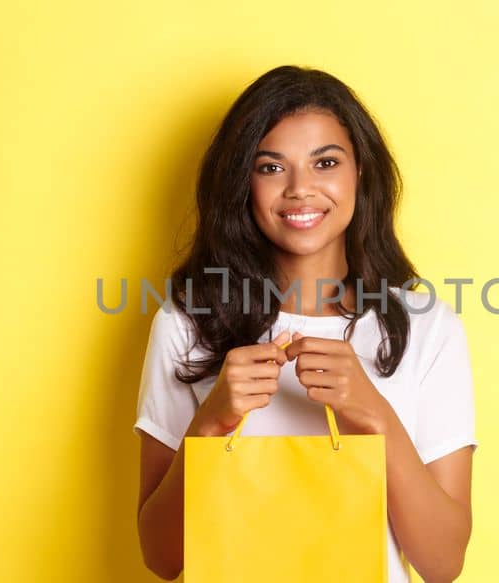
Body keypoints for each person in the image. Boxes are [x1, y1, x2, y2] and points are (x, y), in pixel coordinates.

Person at [133, 65, 476, 583]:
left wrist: (376, 415)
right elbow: (161, 559)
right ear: (241, 183)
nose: (300, 189)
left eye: (326, 162)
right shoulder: (186, 324)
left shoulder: (428, 329)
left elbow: (442, 565)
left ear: (361, 172)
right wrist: (209, 425)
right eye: (271, 168)